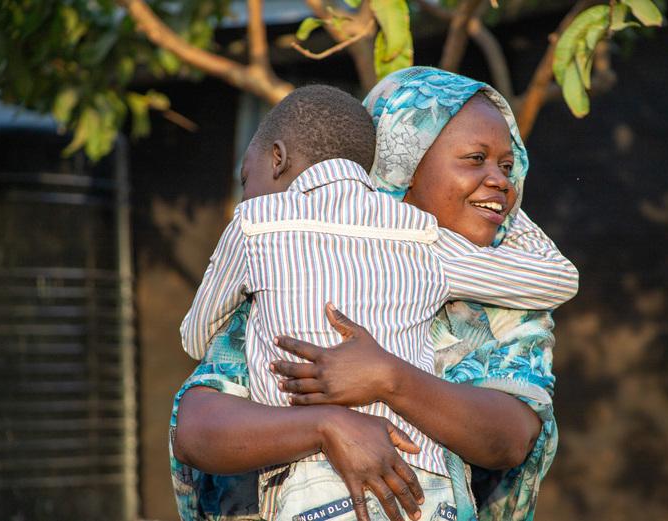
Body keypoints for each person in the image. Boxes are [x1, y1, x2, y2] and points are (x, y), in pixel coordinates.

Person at [172, 69, 575, 521]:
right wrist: (328, 425)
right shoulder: (299, 264)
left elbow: (510, 438)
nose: (501, 179)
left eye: (507, 166)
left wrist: (389, 377)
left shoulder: (510, 306)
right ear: (403, 164)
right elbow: (197, 425)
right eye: (475, 158)